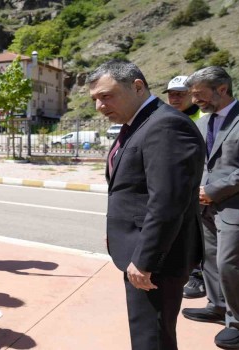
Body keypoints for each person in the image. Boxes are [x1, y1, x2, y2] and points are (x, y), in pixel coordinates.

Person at [88, 59, 205, 350]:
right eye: (95, 99)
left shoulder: (165, 125)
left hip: (156, 259)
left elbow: (167, 202)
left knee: (151, 337)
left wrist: (145, 259)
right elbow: (132, 190)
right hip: (141, 248)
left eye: (106, 96)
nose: (99, 106)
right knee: (148, 333)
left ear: (137, 87)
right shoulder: (139, 123)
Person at [181, 66, 239, 349]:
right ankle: (218, 306)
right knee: (209, 260)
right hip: (207, 207)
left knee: (229, 265)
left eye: (199, 95)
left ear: (221, 89)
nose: (195, 101)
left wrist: (212, 191)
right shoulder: (203, 123)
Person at [163, 75, 206, 299]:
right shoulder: (167, 116)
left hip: (197, 185)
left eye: (180, 93)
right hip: (175, 184)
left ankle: (199, 276)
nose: (175, 98)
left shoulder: (203, 118)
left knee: (199, 232)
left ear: (192, 94)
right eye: (171, 93)